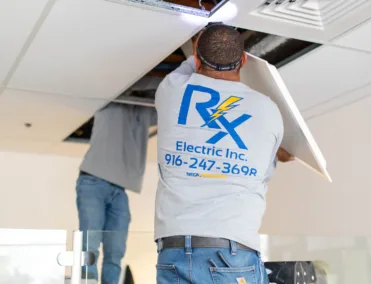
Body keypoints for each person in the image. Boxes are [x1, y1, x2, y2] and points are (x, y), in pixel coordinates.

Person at [154, 22, 294, 284]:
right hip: (231, 251)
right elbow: (262, 175)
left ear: (196, 56)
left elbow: (189, 67)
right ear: (243, 60)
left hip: (173, 251)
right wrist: (276, 154)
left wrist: (201, 44)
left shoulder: (171, 90)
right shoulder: (268, 110)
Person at [76, 102, 156, 283]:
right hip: (92, 181)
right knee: (90, 246)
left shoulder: (144, 112)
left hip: (119, 188)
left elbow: (167, 109)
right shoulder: (109, 104)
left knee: (116, 251)